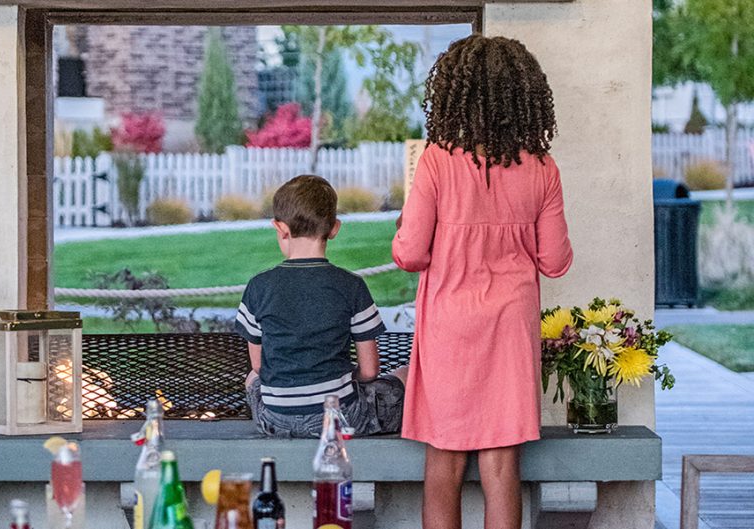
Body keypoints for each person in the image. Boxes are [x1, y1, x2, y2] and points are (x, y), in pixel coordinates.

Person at [392, 35, 573, 529]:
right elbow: (555, 262)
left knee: (443, 463)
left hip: (449, 329)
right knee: (501, 464)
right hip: (510, 331)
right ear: (524, 96)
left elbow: (409, 254)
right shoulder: (542, 168)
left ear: (452, 94)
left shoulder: (434, 162)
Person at [235, 174, 406, 438]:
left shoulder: (258, 287)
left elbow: (259, 367)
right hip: (339, 418)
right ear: (335, 228)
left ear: (279, 228)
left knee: (250, 379)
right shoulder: (352, 286)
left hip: (274, 419)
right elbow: (370, 370)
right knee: (405, 375)